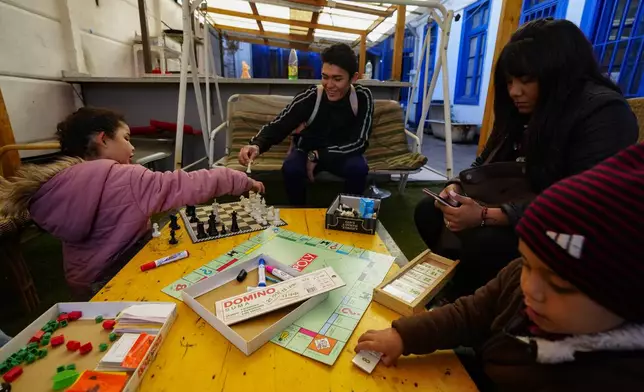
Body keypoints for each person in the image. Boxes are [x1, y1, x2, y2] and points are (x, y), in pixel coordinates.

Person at [356, 142, 644, 391]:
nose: (529, 287)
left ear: (627, 298)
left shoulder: (614, 379)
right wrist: (404, 335)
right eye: (528, 263)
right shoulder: (521, 277)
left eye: (560, 285)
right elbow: (471, 313)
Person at [414, 19, 638, 298]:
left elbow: (584, 200)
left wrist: (485, 216)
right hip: (518, 204)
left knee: (485, 241)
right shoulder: (523, 111)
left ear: (560, 72)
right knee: (428, 210)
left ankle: (479, 310)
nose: (514, 92)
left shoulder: (604, 113)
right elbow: (486, 161)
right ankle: (460, 291)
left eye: (526, 80)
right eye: (509, 82)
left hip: (570, 227)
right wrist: (456, 186)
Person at [0, 107, 264, 299]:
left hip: (83, 284)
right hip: (121, 277)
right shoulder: (125, 178)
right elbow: (188, 184)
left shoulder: (57, 183)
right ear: (103, 139)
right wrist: (241, 180)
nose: (132, 148)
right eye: (126, 138)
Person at [238, 43, 374, 205]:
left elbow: (360, 142)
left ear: (354, 78)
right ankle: (299, 212)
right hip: (306, 149)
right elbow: (280, 124)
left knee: (358, 168)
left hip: (341, 154)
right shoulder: (311, 96)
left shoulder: (362, 97)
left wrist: (318, 155)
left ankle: (349, 214)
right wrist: (256, 145)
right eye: (325, 77)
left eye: (337, 79)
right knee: (291, 169)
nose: (329, 85)